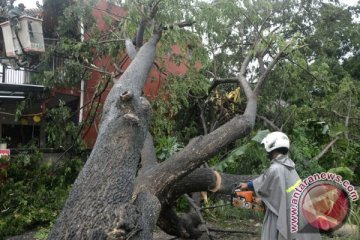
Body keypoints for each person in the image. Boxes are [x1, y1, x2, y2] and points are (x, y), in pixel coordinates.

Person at [239, 131, 321, 240]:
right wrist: (250, 186)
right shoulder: (289, 166)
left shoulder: (275, 169)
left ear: (271, 147)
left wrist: (247, 186)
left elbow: (264, 182)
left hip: (287, 213)